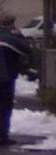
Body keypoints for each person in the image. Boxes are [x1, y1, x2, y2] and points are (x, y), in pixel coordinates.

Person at [0, 15, 30, 146]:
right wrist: (19, 35)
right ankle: (2, 136)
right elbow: (26, 49)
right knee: (5, 107)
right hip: (6, 77)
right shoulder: (11, 39)